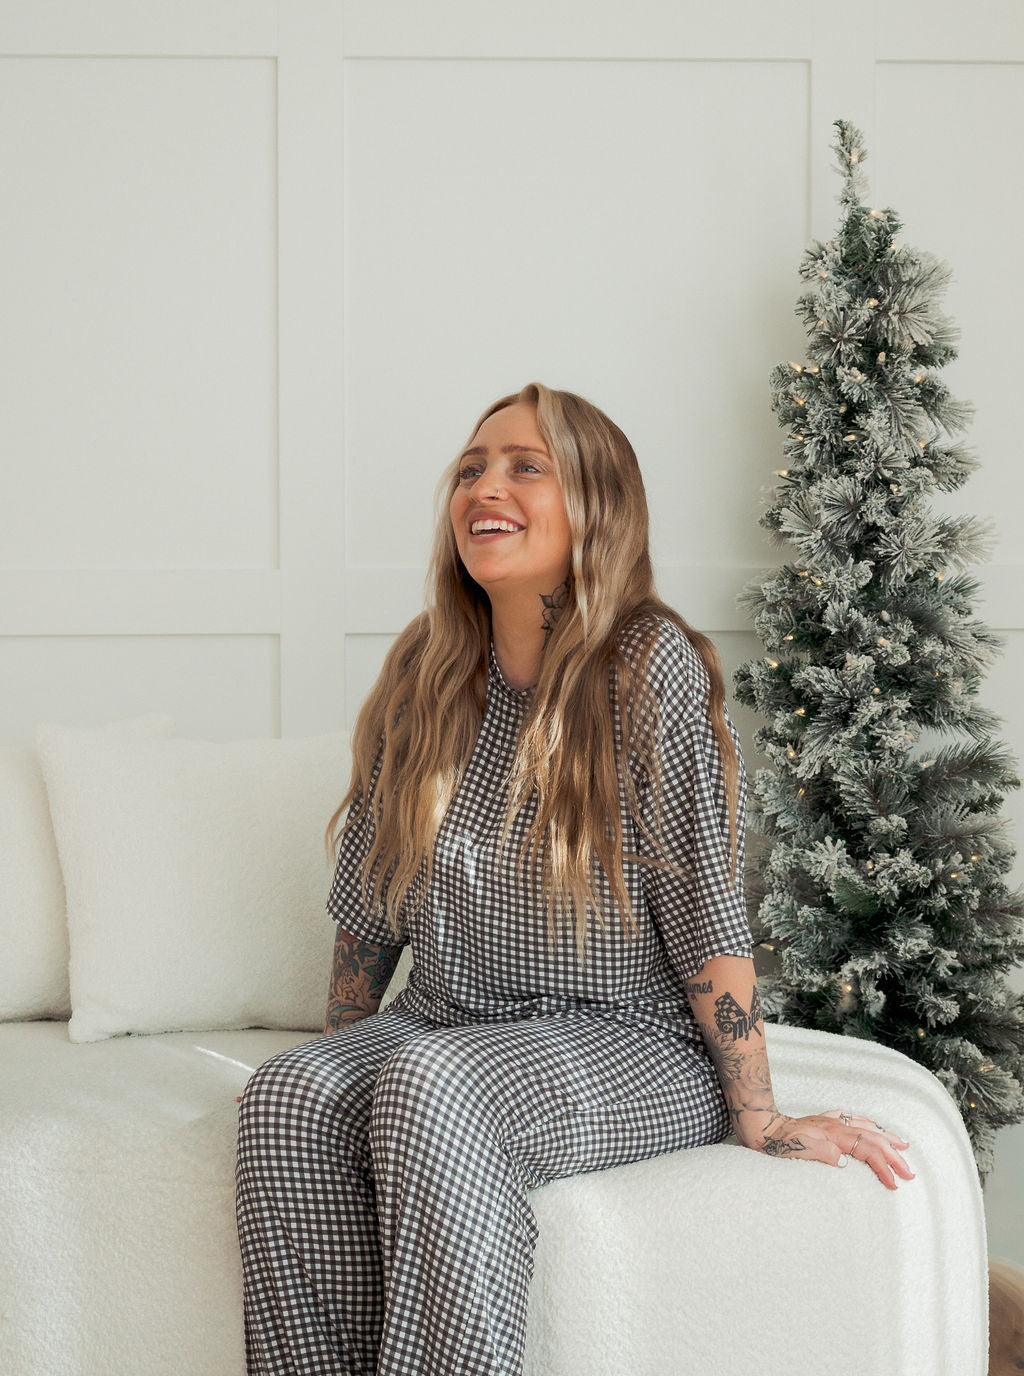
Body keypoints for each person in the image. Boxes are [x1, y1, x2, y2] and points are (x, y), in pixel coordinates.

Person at [235, 381, 915, 1376]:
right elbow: (373, 894)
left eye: (523, 466)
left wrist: (758, 1114)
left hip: (630, 1041)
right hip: (443, 1017)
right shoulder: (427, 666)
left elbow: (703, 910)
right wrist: (350, 1056)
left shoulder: (647, 665)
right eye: (469, 468)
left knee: (433, 1084)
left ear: (594, 502)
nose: (483, 487)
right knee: (288, 1095)